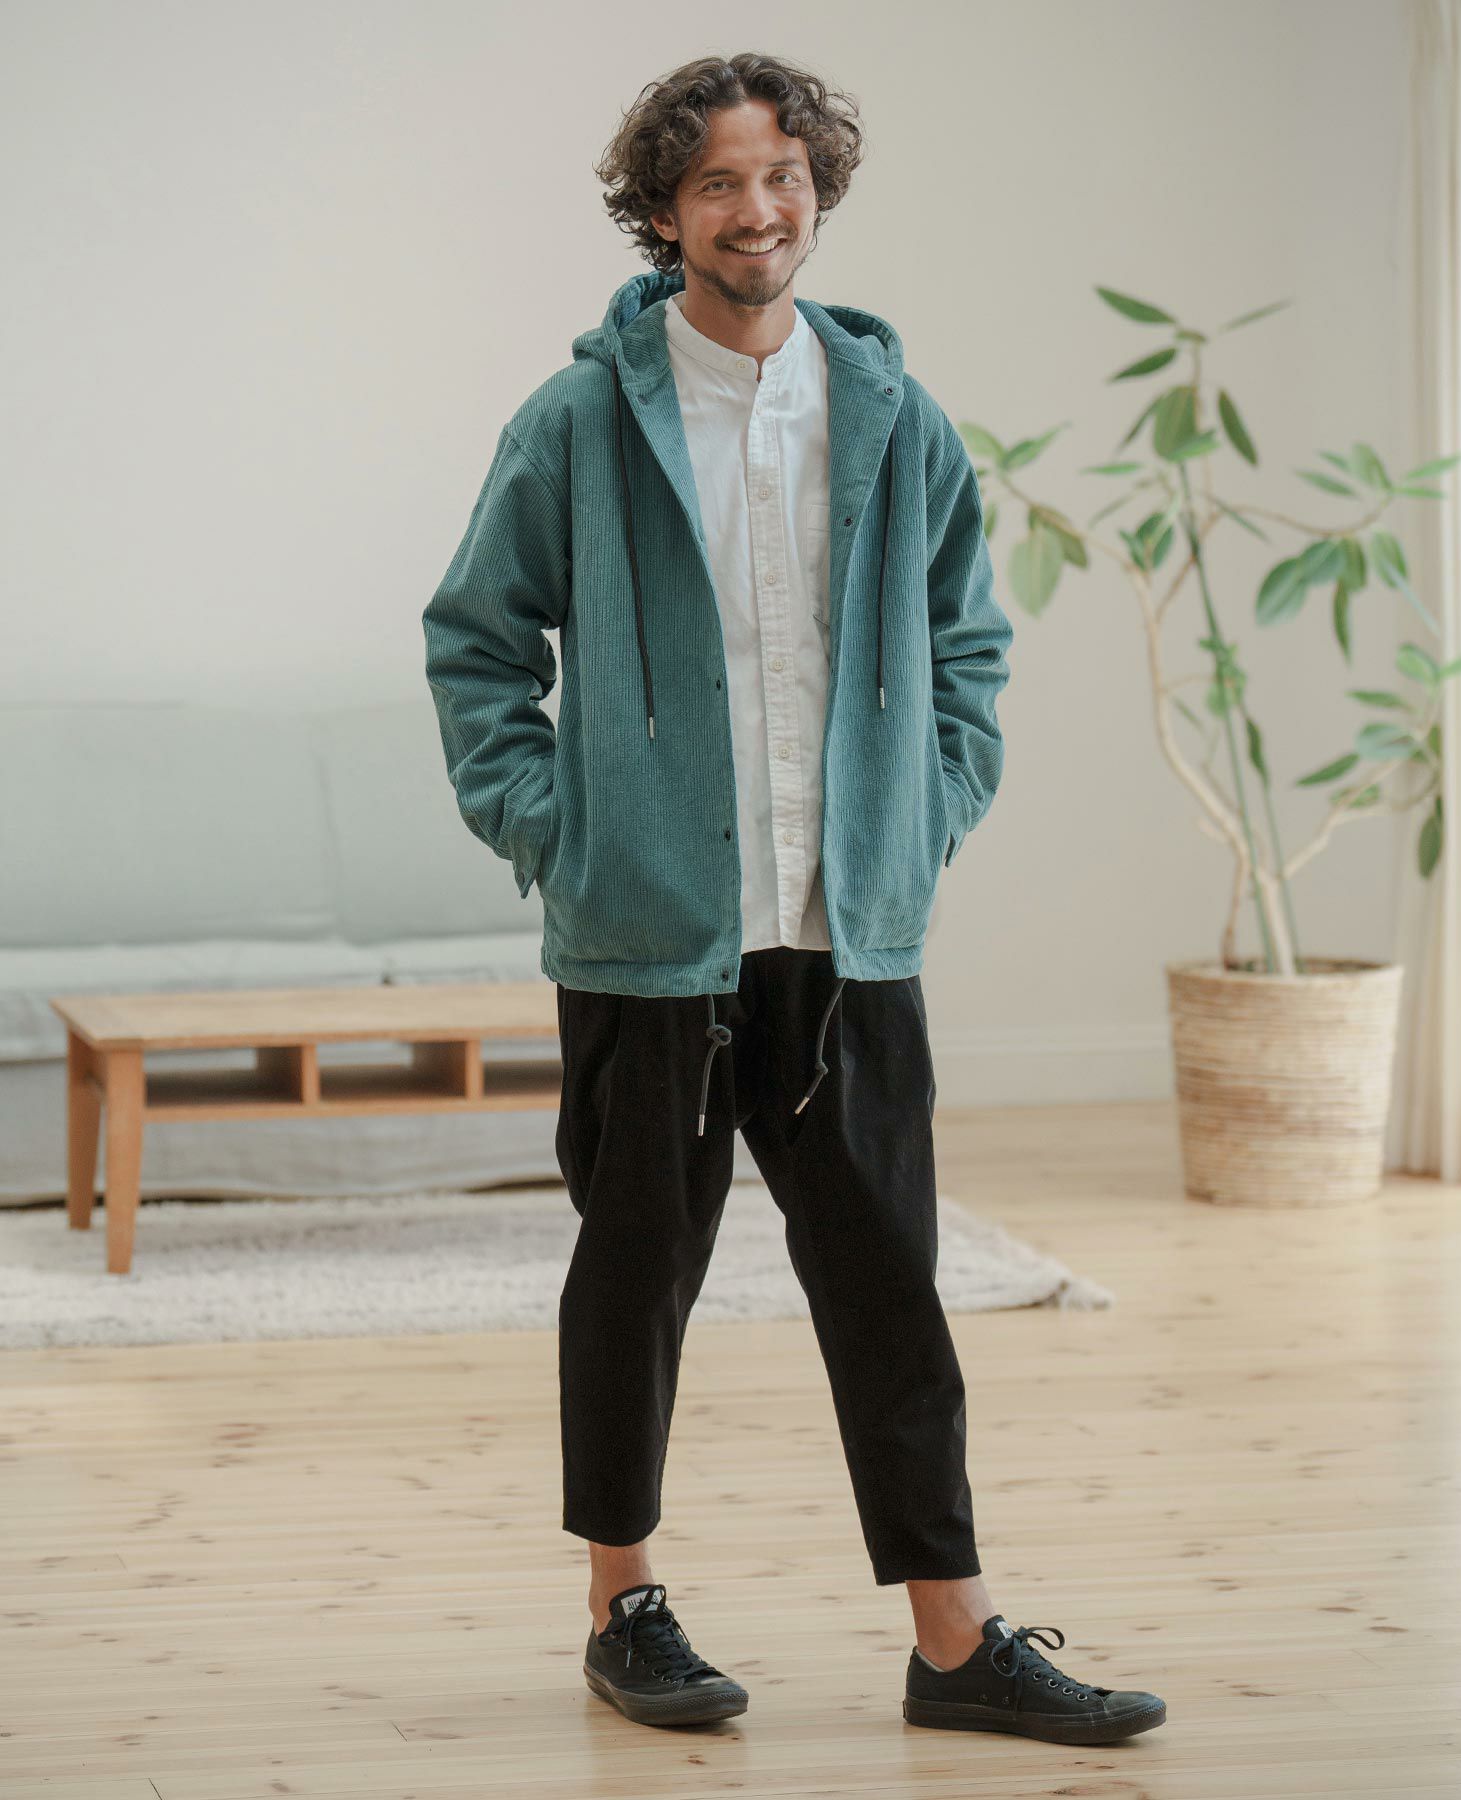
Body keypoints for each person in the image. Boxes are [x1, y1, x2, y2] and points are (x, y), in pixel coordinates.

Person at [422, 50, 1164, 1748]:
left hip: (846, 935)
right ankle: (623, 1608)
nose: (757, 210)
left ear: (817, 188)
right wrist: (560, 834)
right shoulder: (580, 422)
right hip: (649, 940)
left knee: (889, 1281)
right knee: (636, 1276)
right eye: (718, 184)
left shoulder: (894, 415)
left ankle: (955, 1643)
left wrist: (927, 812)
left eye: (782, 177)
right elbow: (477, 644)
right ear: (664, 213)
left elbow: (969, 643)